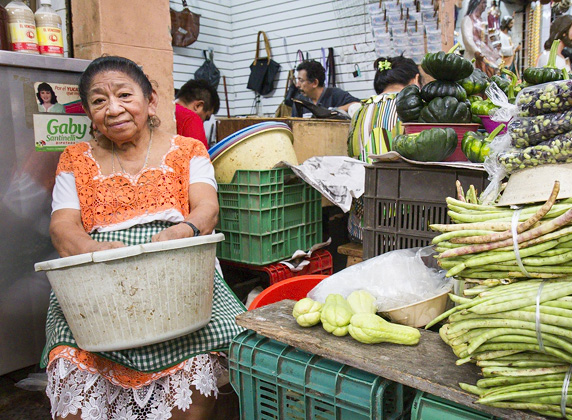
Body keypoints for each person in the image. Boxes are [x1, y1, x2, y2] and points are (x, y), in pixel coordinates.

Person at [44, 56, 244, 420]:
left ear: (150, 100)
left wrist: (182, 232)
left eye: (124, 94)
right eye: (99, 101)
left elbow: (206, 209)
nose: (114, 109)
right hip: (97, 280)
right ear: (89, 111)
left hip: (180, 272)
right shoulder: (75, 158)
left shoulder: (187, 151)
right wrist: (94, 251)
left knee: (199, 377)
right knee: (73, 363)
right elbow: (63, 227)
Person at [347, 56, 420, 242]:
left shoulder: (359, 111)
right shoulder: (413, 108)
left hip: (360, 228)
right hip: (402, 232)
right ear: (416, 80)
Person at [291, 60, 359, 118]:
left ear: (315, 83)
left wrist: (333, 111)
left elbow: (359, 105)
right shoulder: (299, 102)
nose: (297, 85)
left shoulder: (336, 95)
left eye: (301, 80)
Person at [175, 78, 220, 149]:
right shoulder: (191, 119)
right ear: (198, 106)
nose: (203, 123)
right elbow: (202, 158)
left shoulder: (160, 111)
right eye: (206, 118)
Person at [461, 0, 502, 76]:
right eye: (483, 3)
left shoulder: (481, 21)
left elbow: (486, 40)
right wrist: (476, 51)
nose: (485, 5)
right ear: (476, 3)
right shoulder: (468, 19)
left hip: (484, 58)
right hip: (473, 57)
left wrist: (494, 50)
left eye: (486, 3)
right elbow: (468, 39)